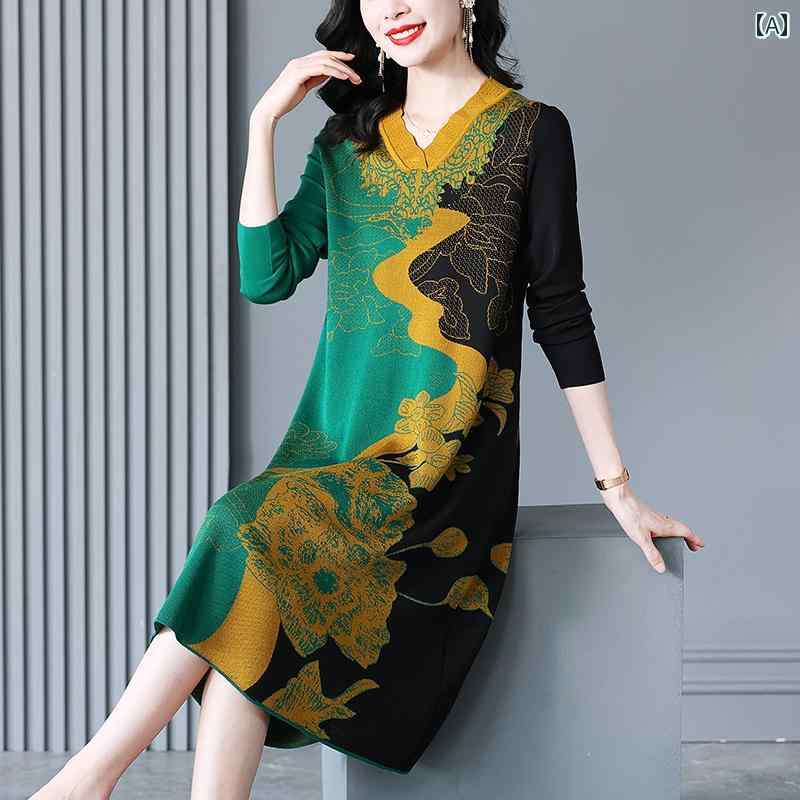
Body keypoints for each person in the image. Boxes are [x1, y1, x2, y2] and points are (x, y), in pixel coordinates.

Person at [30, 1, 705, 798]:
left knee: (244, 528)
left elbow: (559, 308)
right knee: (251, 593)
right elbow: (266, 276)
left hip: (443, 471)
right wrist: (262, 125)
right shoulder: (346, 142)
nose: (393, 7)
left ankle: (85, 781)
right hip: (334, 452)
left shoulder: (531, 133)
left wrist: (617, 486)